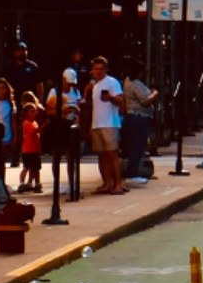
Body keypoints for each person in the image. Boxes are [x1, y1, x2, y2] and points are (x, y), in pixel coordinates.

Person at [87, 57, 125, 193]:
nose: (99, 72)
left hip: (110, 123)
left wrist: (110, 97)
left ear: (106, 69)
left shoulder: (112, 82)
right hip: (97, 123)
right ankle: (107, 183)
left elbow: (121, 100)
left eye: (101, 69)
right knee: (101, 155)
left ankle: (118, 184)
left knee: (112, 154)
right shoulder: (95, 85)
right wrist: (91, 126)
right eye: (96, 69)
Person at [46, 68, 85, 200]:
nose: (70, 85)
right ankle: (56, 183)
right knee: (56, 156)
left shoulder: (76, 92)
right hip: (58, 124)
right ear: (63, 80)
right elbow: (48, 111)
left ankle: (71, 183)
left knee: (71, 156)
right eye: (68, 83)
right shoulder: (54, 92)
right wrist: (63, 111)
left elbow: (79, 109)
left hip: (71, 125)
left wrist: (77, 115)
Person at [120, 61, 158, 185]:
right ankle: (132, 173)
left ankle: (132, 171)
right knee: (137, 146)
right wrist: (154, 94)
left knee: (134, 146)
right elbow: (145, 101)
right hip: (139, 117)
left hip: (132, 117)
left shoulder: (127, 81)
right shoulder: (135, 83)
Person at [16, 95, 44, 191]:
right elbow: (36, 131)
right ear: (26, 114)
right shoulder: (26, 123)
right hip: (28, 151)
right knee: (26, 167)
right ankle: (22, 183)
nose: (35, 113)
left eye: (35, 111)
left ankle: (37, 183)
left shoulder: (34, 122)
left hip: (35, 150)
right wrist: (46, 124)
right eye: (32, 112)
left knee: (36, 168)